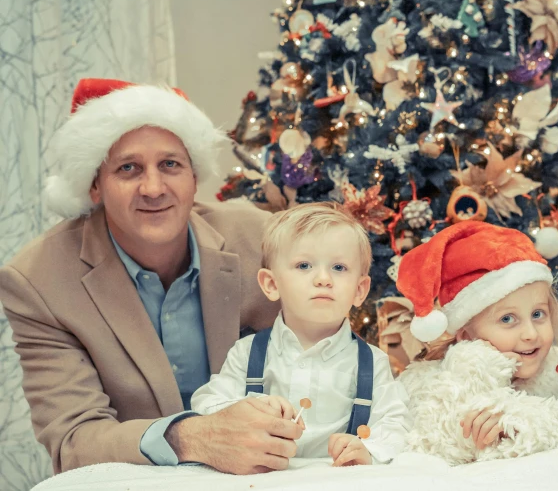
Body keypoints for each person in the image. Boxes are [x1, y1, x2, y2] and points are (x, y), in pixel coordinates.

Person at [0, 78, 302, 475]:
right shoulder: (38, 281)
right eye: (128, 168)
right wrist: (195, 437)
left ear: (195, 178)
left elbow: (325, 361)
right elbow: (74, 440)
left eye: (170, 165)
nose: (154, 187)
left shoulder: (261, 240)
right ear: (94, 185)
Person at [191, 203, 413, 466]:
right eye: (304, 265)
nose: (323, 278)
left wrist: (369, 449)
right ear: (271, 284)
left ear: (360, 290)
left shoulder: (371, 362)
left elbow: (396, 422)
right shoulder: (248, 352)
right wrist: (250, 410)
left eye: (339, 268)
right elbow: (205, 406)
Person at [395, 221, 558, 466]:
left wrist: (520, 420)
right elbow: (432, 443)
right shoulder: (442, 384)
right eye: (508, 319)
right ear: (466, 336)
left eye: (538, 314)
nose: (531, 333)